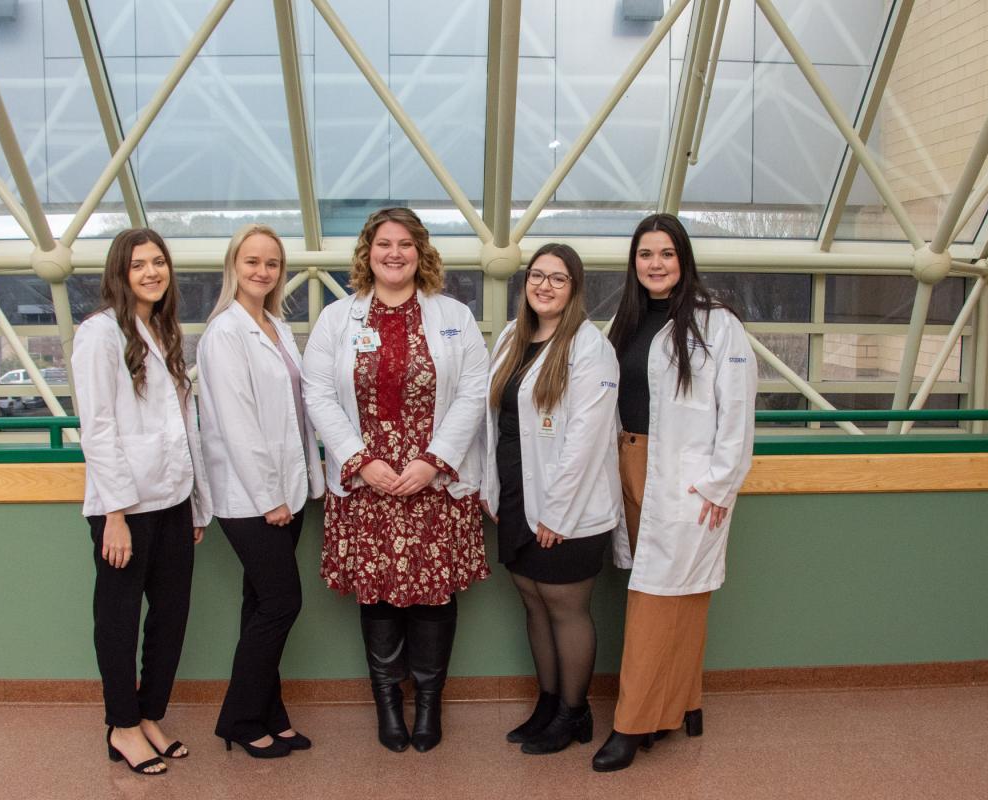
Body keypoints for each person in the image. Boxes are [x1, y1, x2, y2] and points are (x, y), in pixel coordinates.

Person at [303, 207, 490, 754]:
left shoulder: (453, 315)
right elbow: (316, 393)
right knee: (379, 597)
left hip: (433, 483)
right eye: (383, 243)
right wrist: (360, 460)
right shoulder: (338, 320)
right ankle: (388, 703)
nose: (394, 253)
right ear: (367, 252)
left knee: (433, 597)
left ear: (421, 252)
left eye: (405, 244)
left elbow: (474, 391)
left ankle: (429, 704)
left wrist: (434, 460)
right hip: (368, 485)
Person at [592, 213, 757, 772]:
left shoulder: (719, 326)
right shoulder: (628, 322)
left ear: (683, 259)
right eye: (645, 254)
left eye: (665, 253)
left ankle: (631, 724)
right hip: (629, 467)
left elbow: (736, 413)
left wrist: (720, 482)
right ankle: (684, 702)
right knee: (676, 595)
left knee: (656, 599)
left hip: (685, 480)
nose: (655, 264)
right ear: (633, 262)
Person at [71, 228, 212, 776]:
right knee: (120, 619)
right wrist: (115, 515)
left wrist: (195, 505)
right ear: (119, 274)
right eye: (139, 265)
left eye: (159, 262)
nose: (152, 272)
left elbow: (183, 427)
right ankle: (122, 726)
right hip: (125, 509)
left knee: (171, 617)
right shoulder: (99, 335)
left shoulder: (162, 330)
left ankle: (151, 713)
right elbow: (98, 428)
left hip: (173, 500)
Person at [481, 243, 622, 755]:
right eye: (537, 276)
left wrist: (558, 513)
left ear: (575, 289)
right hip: (518, 495)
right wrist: (491, 489)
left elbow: (586, 438)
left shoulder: (590, 347)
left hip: (571, 506)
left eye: (558, 279)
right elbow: (492, 425)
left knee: (565, 606)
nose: (544, 286)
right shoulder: (511, 341)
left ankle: (574, 712)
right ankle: (547, 703)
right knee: (533, 602)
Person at [197, 224, 325, 758]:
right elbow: (237, 423)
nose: (262, 271)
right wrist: (270, 494)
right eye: (251, 261)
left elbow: (299, 411)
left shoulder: (274, 324)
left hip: (287, 492)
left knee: (258, 605)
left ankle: (270, 714)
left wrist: (305, 483)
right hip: (253, 498)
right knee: (281, 602)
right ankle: (241, 719)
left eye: (271, 263)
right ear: (234, 266)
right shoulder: (224, 334)